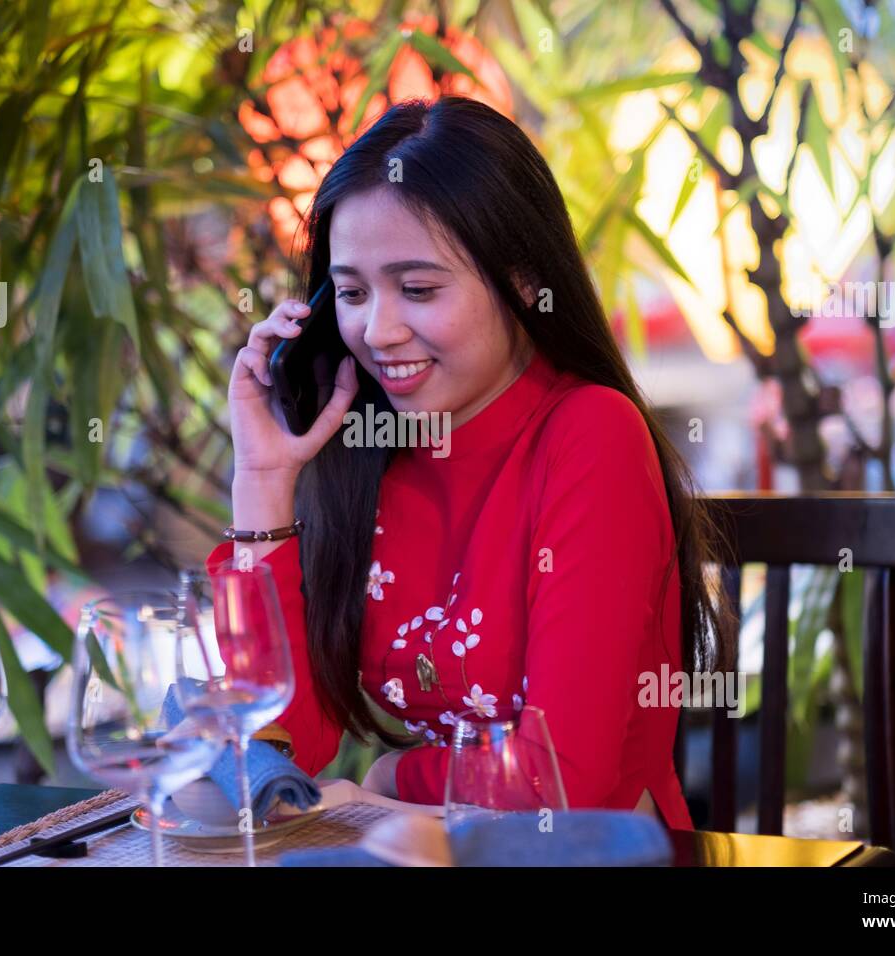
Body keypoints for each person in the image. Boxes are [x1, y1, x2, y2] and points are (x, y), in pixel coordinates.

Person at [207, 95, 732, 829]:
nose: (377, 330)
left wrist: (392, 775)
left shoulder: (591, 434)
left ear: (521, 281)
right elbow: (283, 742)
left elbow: (560, 779)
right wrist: (262, 484)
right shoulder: (372, 449)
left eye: (418, 289)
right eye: (351, 293)